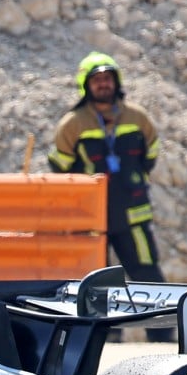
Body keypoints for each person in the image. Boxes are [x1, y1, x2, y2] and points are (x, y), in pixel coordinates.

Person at [49, 51, 171, 341]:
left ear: (117, 81)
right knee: (96, 280)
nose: (103, 84)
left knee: (146, 272)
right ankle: (104, 339)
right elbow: (59, 169)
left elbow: (151, 155)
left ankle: (163, 335)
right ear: (86, 85)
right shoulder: (73, 124)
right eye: (97, 80)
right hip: (91, 221)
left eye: (107, 78)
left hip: (133, 216)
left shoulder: (138, 117)